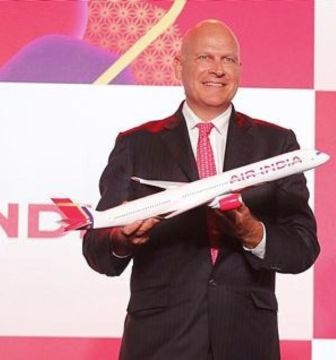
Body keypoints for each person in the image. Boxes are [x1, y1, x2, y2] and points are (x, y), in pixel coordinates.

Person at [83, 20, 319, 360]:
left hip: (247, 341)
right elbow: (97, 251)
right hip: (159, 342)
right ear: (179, 66)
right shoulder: (136, 145)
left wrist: (254, 233)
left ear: (240, 68)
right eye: (205, 58)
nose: (218, 70)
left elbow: (303, 247)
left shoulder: (277, 144)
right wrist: (122, 238)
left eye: (228, 60)